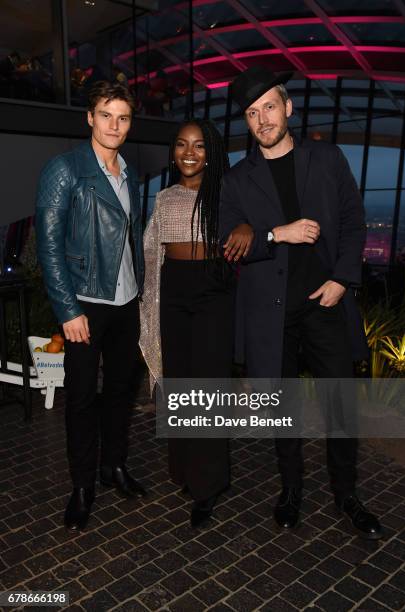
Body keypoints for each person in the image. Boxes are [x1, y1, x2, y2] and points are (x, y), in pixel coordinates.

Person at [219, 66, 382, 539]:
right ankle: (291, 491)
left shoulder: (328, 159)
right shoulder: (236, 180)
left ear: (288, 108)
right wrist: (275, 234)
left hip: (325, 304)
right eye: (252, 113)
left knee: (340, 407)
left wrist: (342, 280)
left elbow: (353, 223)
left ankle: (347, 494)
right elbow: (231, 243)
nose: (262, 119)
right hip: (271, 314)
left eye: (269, 106)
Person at [36, 81, 146, 532]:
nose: (114, 125)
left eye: (122, 117)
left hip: (126, 301)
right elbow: (48, 244)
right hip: (84, 303)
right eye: (106, 115)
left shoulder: (130, 172)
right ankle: (82, 486)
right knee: (81, 399)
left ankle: (113, 466)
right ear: (90, 117)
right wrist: (67, 309)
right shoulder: (65, 169)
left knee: (121, 392)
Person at [140, 119, 235, 527]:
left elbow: (248, 228)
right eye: (181, 144)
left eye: (198, 145)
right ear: (173, 151)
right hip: (173, 291)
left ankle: (208, 486)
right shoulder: (163, 198)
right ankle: (183, 469)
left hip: (213, 289)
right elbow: (151, 253)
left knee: (208, 385)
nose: (189, 152)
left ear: (211, 152)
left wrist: (247, 225)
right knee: (179, 381)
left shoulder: (228, 195)